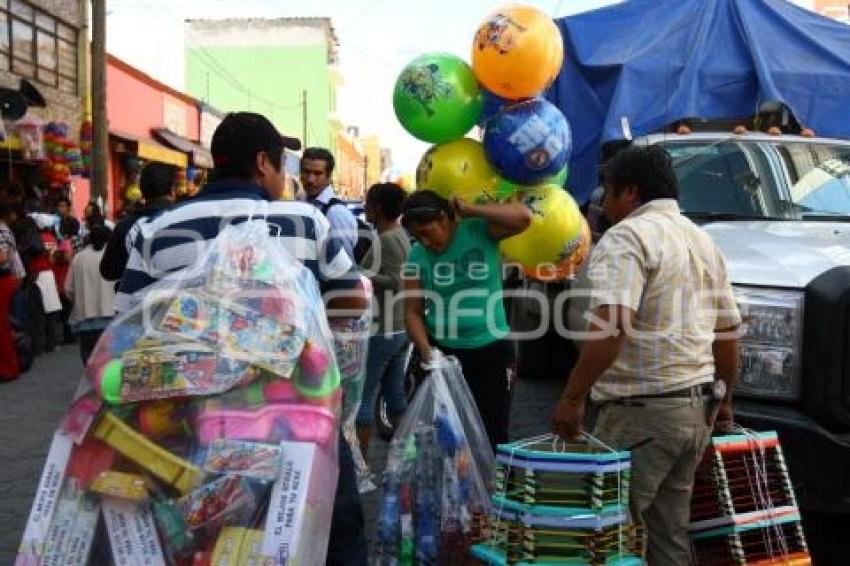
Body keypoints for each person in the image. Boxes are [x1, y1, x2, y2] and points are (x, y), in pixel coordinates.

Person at [117, 112, 369, 565]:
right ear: (262, 163)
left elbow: (128, 327)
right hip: (296, 420)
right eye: (283, 165)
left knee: (206, 540)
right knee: (331, 527)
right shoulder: (304, 221)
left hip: (188, 430)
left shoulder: (154, 231)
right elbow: (353, 299)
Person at [551, 145, 741, 565]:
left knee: (605, 534)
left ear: (630, 192)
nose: (606, 203)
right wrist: (724, 401)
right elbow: (727, 335)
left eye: (609, 193)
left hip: (643, 412)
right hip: (695, 410)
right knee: (667, 535)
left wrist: (572, 397)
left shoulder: (628, 236)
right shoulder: (702, 240)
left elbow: (613, 325)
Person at [402, 190, 531, 449]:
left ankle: (496, 489)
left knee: (493, 433)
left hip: (492, 351)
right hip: (444, 355)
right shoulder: (416, 255)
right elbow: (412, 311)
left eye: (427, 232)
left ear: (444, 218)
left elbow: (523, 218)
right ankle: (453, 490)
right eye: (417, 237)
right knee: (445, 437)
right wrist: (427, 351)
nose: (424, 242)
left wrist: (471, 208)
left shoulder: (479, 231)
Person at [355, 182, 410, 456]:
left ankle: (361, 466)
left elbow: (395, 281)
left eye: (367, 203)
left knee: (362, 402)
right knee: (395, 398)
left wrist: (360, 274)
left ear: (376, 208)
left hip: (382, 331)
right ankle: (407, 460)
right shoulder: (399, 234)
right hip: (398, 329)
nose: (364, 208)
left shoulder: (387, 239)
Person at [100, 162, 177, 282]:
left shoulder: (125, 225)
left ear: (141, 190)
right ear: (173, 190)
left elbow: (108, 272)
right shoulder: (186, 220)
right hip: (178, 298)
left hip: (135, 297)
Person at [65, 225, 115, 364]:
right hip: (111, 316)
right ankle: (108, 382)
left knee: (89, 356)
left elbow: (68, 289)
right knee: (111, 357)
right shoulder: (114, 256)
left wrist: (79, 301)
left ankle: (93, 382)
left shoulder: (78, 258)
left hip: (85, 318)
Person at [300, 147, 359, 259]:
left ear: (329, 176)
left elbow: (344, 262)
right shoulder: (303, 203)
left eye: (317, 174)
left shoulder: (336, 213)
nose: (310, 179)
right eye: (306, 172)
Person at [0, 201, 25, 381]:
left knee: (2, 327)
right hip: (8, 279)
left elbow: (3, 256)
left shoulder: (1, 231)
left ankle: (8, 368)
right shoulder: (5, 229)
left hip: (3, 279)